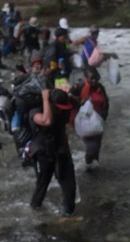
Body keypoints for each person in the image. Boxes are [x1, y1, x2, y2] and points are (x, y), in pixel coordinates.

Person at [29, 88, 77, 216]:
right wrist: (45, 98)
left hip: (61, 150)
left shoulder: (64, 110)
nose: (62, 110)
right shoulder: (36, 111)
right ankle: (35, 211)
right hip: (43, 152)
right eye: (59, 107)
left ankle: (67, 215)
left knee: (69, 185)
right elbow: (47, 121)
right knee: (42, 185)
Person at [75, 67, 109, 170]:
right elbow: (69, 98)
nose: (94, 81)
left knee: (97, 147)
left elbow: (106, 102)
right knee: (91, 148)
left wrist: (103, 116)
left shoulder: (100, 87)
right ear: (86, 78)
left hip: (98, 120)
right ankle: (86, 166)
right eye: (91, 79)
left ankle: (94, 169)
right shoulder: (80, 87)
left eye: (96, 78)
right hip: (85, 121)